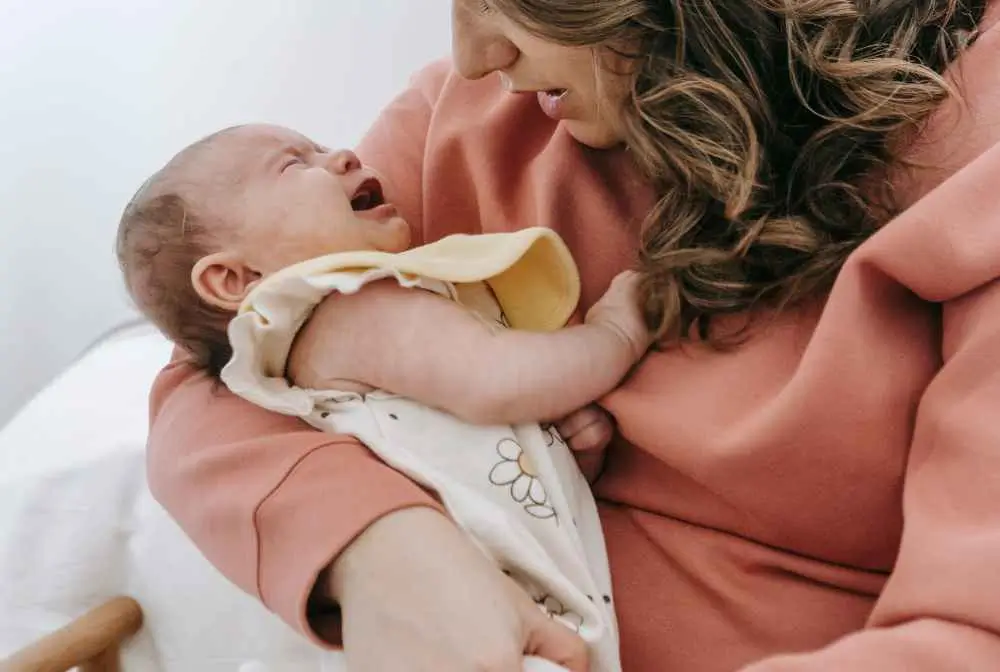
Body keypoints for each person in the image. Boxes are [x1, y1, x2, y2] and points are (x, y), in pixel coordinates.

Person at [145, 0, 1000, 669]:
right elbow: (218, 363)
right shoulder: (472, 118)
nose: (476, 56)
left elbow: (972, 634)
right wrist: (381, 548)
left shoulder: (973, 155)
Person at [116, 122, 652, 670]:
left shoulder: (320, 348)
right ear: (234, 278)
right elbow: (499, 382)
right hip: (488, 627)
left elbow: (457, 454)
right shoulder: (352, 307)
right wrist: (615, 336)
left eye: (321, 146)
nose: (344, 155)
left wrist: (553, 453)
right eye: (295, 164)